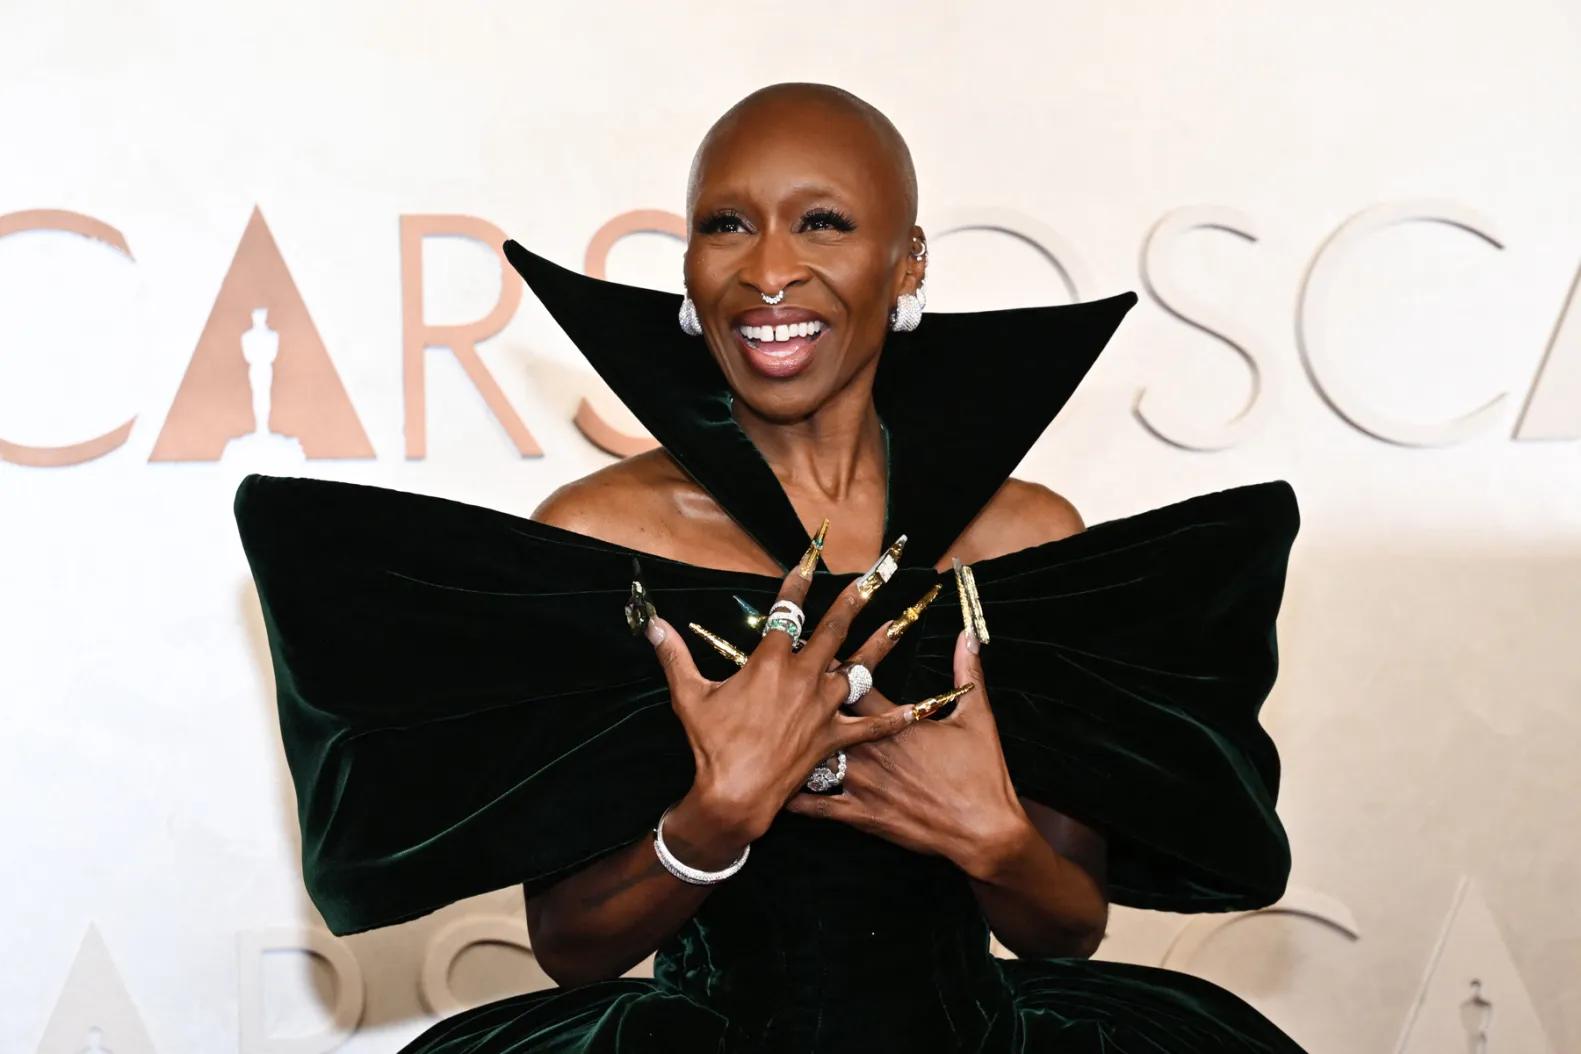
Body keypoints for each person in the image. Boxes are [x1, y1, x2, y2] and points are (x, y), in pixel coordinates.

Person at [234, 83, 1307, 1052]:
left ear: (909, 261)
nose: (769, 268)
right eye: (727, 224)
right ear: (691, 267)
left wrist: (995, 834)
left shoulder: (1021, 540)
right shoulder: (601, 532)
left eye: (823, 222)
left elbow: (1067, 927)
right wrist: (718, 815)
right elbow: (570, 946)